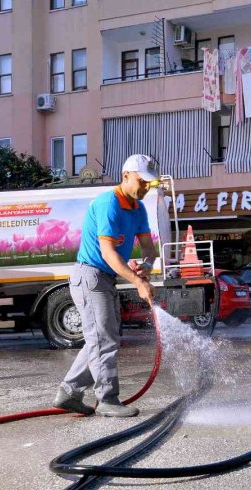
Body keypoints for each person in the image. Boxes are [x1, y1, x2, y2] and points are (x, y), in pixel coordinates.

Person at [53, 154, 159, 418]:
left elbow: (149, 249)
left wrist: (145, 267)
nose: (146, 187)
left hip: (105, 278)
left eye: (149, 183)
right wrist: (137, 282)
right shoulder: (108, 203)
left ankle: (70, 391)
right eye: (141, 181)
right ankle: (108, 400)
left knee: (101, 339)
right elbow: (109, 253)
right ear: (125, 176)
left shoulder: (138, 208)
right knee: (104, 340)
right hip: (90, 276)